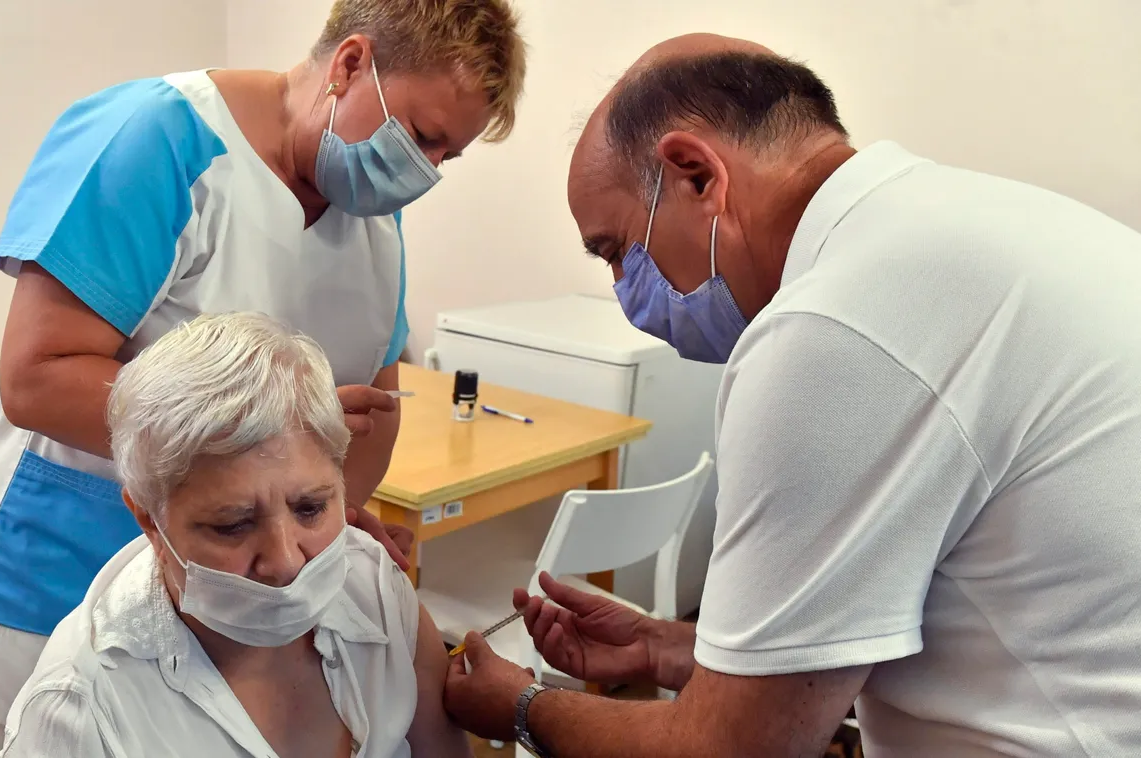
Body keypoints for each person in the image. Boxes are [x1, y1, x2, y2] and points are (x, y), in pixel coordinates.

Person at [442, 33, 1141, 757]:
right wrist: (667, 648)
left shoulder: (832, 329)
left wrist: (520, 707)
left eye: (618, 250)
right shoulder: (968, 224)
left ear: (695, 175)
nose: (623, 291)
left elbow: (728, 750)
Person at [0, 2, 526, 755]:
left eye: (447, 156)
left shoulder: (372, 214)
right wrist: (276, 442)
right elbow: (37, 377)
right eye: (419, 137)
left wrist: (327, 519)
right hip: (69, 563)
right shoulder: (161, 139)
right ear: (349, 65)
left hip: (253, 605)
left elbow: (374, 403)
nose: (424, 172)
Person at [0, 312, 472, 757]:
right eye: (233, 525)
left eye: (310, 508)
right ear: (148, 520)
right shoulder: (83, 710)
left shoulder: (377, 591)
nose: (286, 562)